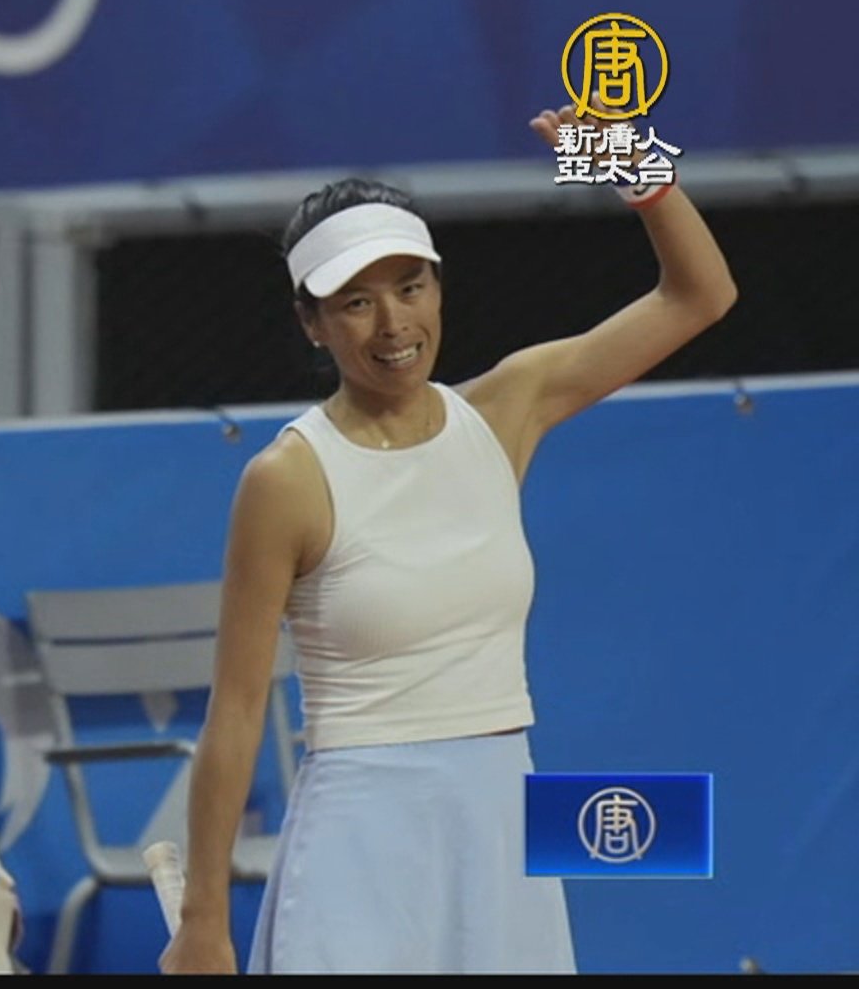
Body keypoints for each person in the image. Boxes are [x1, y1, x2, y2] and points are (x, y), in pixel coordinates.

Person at [159, 105, 737, 974]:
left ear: (438, 286)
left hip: (503, 816)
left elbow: (700, 296)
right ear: (312, 322)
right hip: (358, 837)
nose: (392, 325)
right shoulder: (287, 479)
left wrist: (631, 166)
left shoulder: (507, 408)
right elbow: (236, 712)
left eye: (410, 288)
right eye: (356, 303)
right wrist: (204, 919)